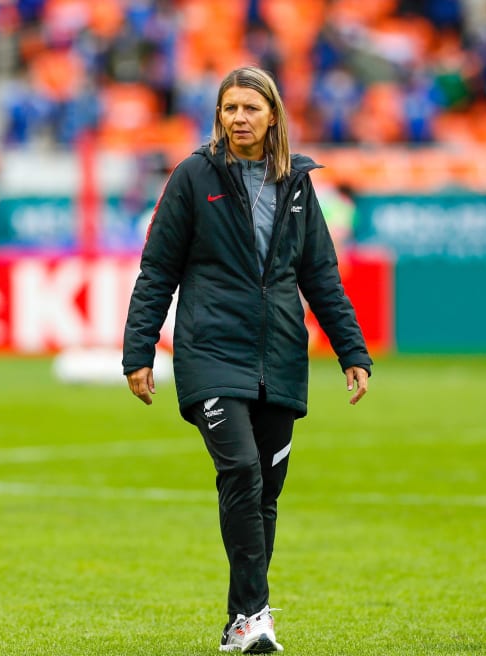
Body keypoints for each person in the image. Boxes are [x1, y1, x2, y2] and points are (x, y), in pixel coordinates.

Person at [122, 66, 372, 654]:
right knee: (240, 471)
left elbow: (320, 276)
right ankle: (258, 616)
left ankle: (241, 621)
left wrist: (351, 350)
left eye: (250, 109)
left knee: (265, 493)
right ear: (218, 116)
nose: (239, 118)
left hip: (281, 354)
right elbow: (158, 269)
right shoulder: (192, 177)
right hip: (210, 351)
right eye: (229, 108)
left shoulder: (297, 184)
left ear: (272, 117)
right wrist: (139, 349)